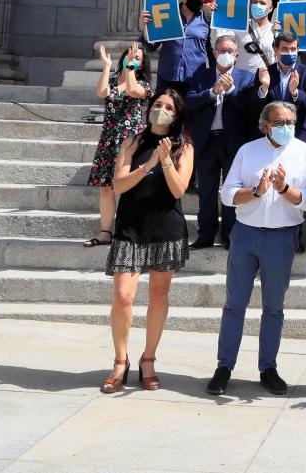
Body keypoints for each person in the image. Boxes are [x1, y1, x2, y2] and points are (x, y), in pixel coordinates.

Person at [207, 101, 306, 397]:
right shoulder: (248, 151)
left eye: (290, 121)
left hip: (281, 239)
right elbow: (227, 193)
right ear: (265, 125)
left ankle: (268, 368)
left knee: (273, 308)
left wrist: (284, 189)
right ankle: (224, 366)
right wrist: (255, 192)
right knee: (234, 305)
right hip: (245, 235)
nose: (286, 127)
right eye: (279, 122)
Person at [102, 90, 193, 393]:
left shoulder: (184, 146)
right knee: (123, 296)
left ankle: (148, 359)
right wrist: (149, 162)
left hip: (165, 228)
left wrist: (166, 160)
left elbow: (179, 190)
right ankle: (119, 361)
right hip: (131, 227)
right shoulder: (132, 141)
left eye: (168, 107)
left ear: (176, 115)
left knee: (158, 295)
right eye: (157, 105)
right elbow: (118, 184)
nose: (161, 110)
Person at [185, 35, 260, 250]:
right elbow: (188, 102)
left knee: (231, 189)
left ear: (236, 55)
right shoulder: (202, 75)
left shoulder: (246, 78)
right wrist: (212, 92)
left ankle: (229, 234)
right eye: (222, 50)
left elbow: (250, 109)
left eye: (230, 51)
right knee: (206, 190)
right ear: (215, 53)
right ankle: (206, 234)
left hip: (233, 142)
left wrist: (232, 91)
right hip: (207, 141)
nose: (226, 54)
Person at [85, 43, 151, 248]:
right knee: (106, 188)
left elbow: (132, 90)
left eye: (137, 57)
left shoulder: (143, 85)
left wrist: (130, 68)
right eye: (129, 55)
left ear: (141, 65)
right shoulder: (113, 81)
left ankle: (133, 231)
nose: (132, 58)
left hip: (130, 140)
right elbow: (102, 92)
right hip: (109, 138)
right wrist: (106, 66)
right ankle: (105, 232)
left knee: (131, 186)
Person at [138, 0, 210, 94]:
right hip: (167, 79)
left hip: (194, 82)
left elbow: (212, 53)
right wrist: (145, 28)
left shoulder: (208, 21)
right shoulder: (167, 15)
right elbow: (149, 46)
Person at [256, 32, 306, 145]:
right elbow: (254, 107)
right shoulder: (266, 73)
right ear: (276, 50)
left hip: (299, 135)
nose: (289, 53)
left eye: (293, 49)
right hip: (272, 136)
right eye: (284, 49)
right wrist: (264, 88)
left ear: (297, 50)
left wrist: (295, 93)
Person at [211, 0, 277, 73]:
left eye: (262, 3)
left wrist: (277, 34)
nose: (257, 5)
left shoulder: (275, 29)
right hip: (243, 80)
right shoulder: (240, 25)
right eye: (255, 2)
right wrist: (216, 16)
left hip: (266, 79)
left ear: (270, 8)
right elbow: (219, 42)